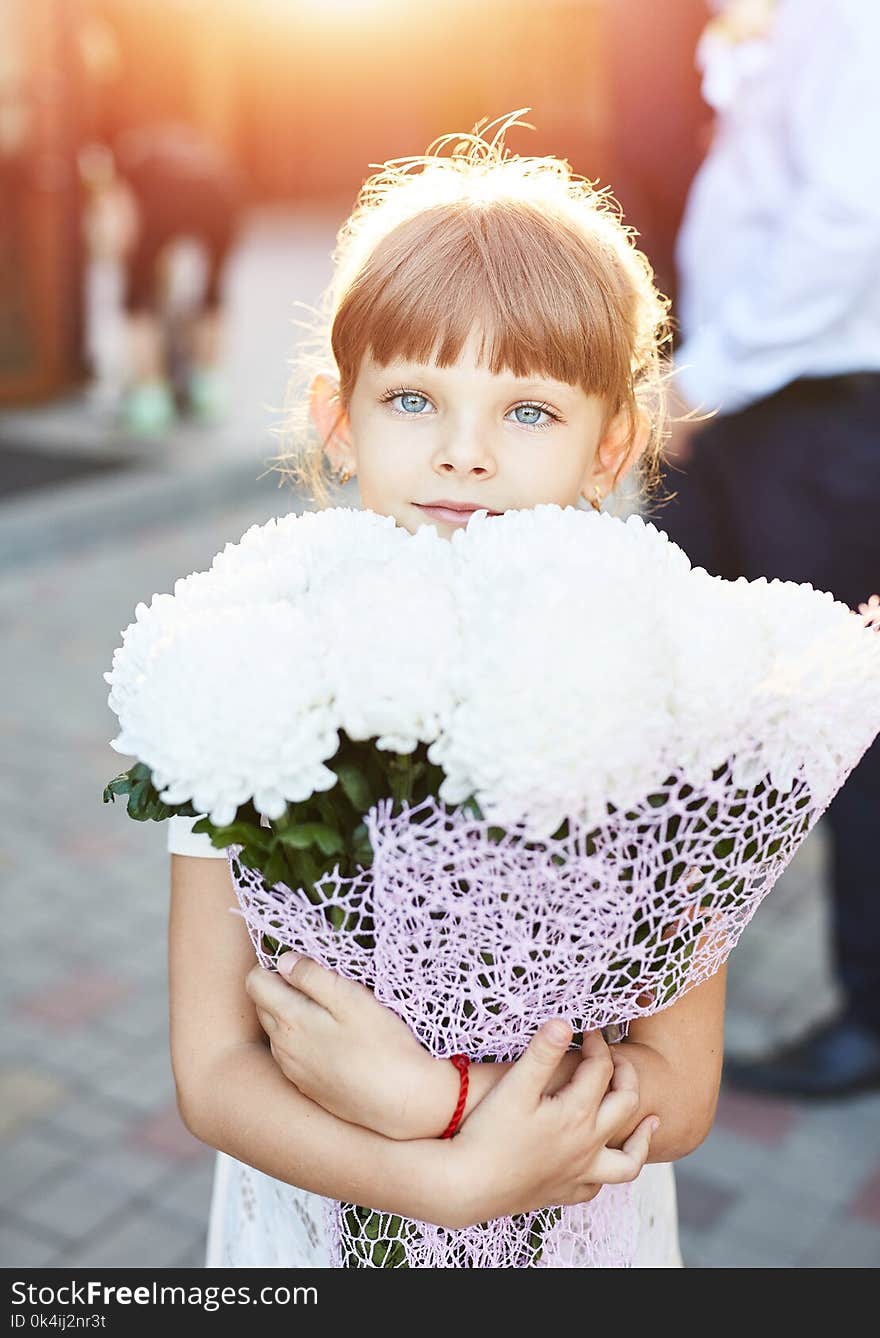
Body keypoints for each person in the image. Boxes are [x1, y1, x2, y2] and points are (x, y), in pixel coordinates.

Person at [166, 117, 726, 1268]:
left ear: (610, 445)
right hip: (311, 1240)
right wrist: (445, 1179)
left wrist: (443, 1104)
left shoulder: (664, 696)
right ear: (338, 417)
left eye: (528, 410)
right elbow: (215, 1072)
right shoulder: (248, 673)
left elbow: (685, 1085)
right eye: (414, 398)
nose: (464, 452)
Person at [659, 0, 880, 1096]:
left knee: (848, 729)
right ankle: (637, 967)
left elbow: (851, 215)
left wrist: (700, 380)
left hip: (812, 407)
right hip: (752, 404)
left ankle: (870, 1015)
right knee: (686, 685)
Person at [83, 122, 244, 434]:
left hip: (167, 203)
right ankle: (207, 389)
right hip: (224, 198)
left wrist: (124, 263)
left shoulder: (122, 162)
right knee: (212, 293)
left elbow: (113, 226)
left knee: (135, 300)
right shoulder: (178, 148)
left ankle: (150, 398)